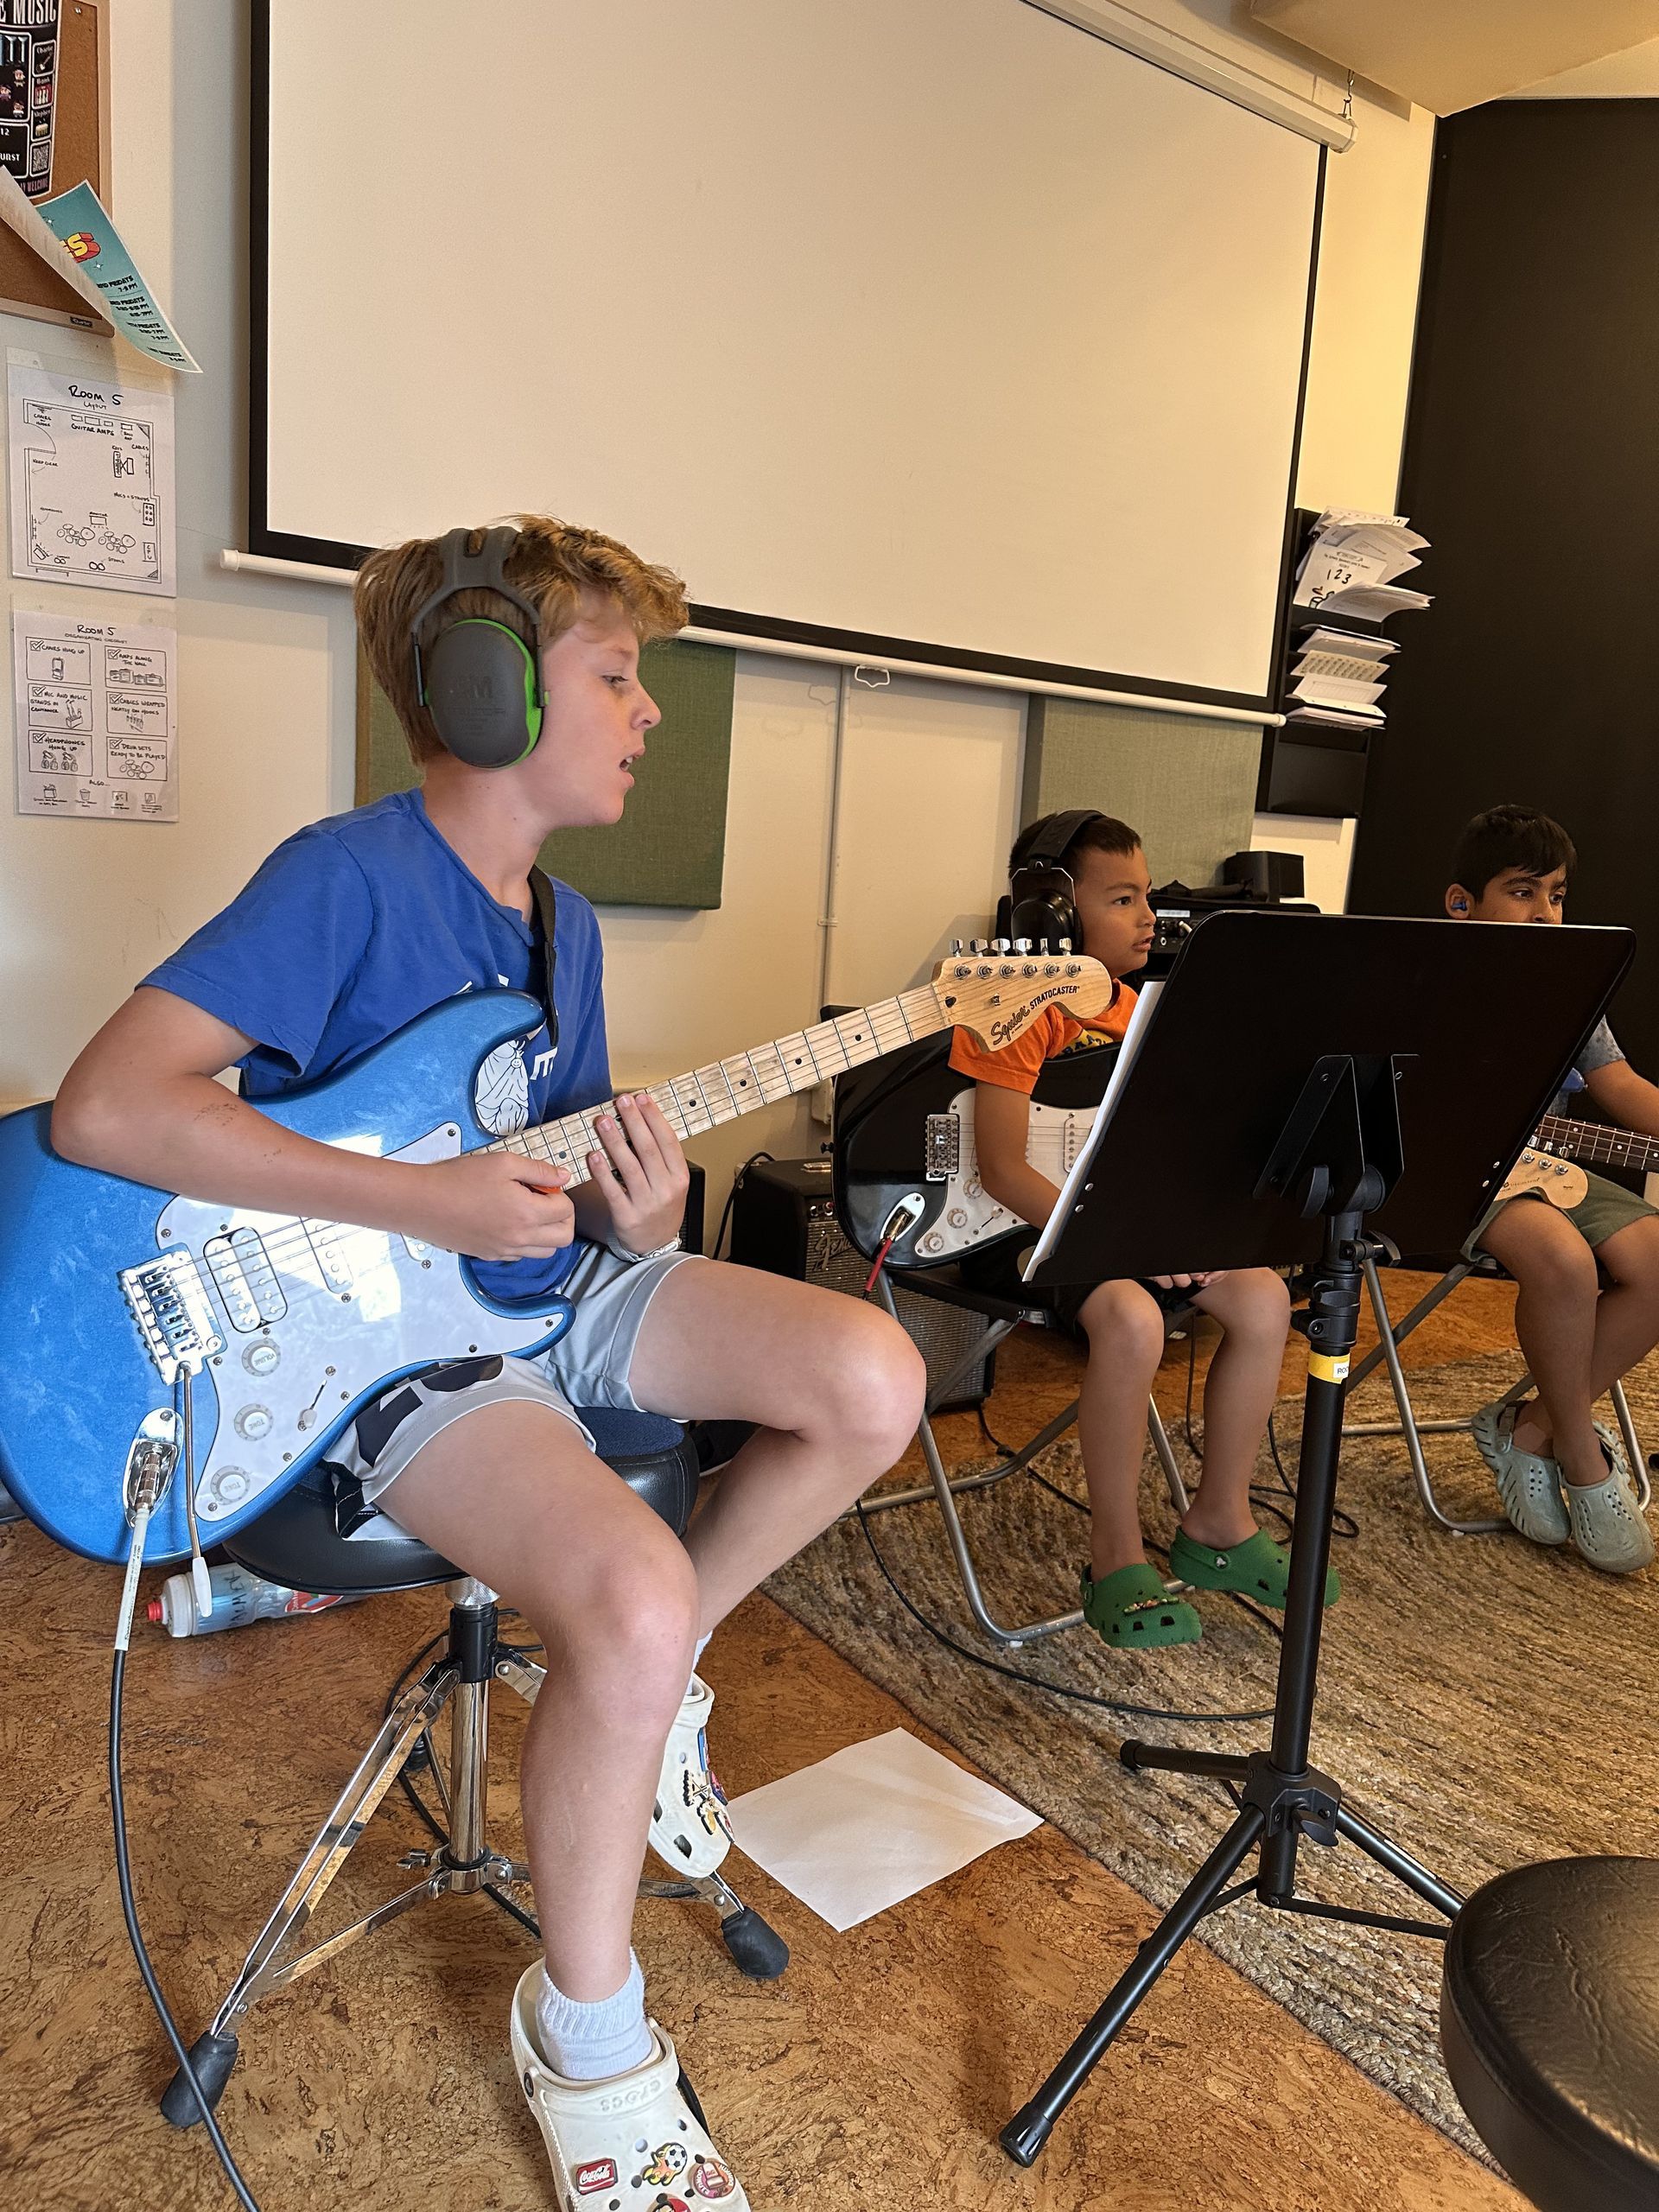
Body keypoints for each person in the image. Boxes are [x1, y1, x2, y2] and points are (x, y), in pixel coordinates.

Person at [51, 516, 926, 2207]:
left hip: (536, 1297)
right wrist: (418, 1192)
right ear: (485, 685)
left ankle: (660, 1688)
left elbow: (571, 1197)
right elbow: (107, 1106)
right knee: (625, 1582)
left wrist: (645, 1206)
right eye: (618, 673)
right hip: (388, 1349)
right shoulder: (347, 877)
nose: (651, 713)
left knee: (871, 1376)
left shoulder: (565, 931)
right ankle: (589, 2032)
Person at [949, 810, 1318, 1650]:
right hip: (1026, 1235)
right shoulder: (1007, 1007)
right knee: (1132, 1316)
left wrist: (1189, 1229)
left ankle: (1219, 1520)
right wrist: (1130, 1238)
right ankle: (1112, 1554)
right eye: (1121, 898)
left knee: (1262, 1296)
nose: (1149, 915)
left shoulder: (1148, 1010)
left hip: (1134, 1230)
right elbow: (1004, 1170)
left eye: (1146, 894)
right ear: (1053, 911)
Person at [1446, 804, 1659, 1572]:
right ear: (1463, 902)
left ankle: (1526, 1429)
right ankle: (1580, 1454)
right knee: (1564, 1263)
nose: (1545, 913)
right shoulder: (1426, 971)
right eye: (1523, 892)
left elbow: (1620, 1083)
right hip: (1457, 1178)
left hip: (1552, 1170)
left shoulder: (1573, 983)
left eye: (1557, 895)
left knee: (1658, 1259)